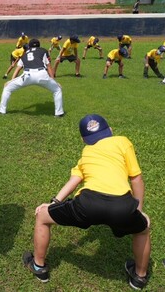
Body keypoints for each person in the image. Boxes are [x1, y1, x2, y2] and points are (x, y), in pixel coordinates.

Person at [23, 114, 151, 290]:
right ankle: (139, 277)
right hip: (121, 205)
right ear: (111, 130)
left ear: (84, 139)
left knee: (42, 217)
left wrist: (53, 202)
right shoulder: (122, 141)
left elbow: (74, 180)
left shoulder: (86, 152)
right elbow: (136, 179)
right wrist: (138, 210)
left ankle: (38, 266)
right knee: (143, 230)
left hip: (87, 203)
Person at [0, 39, 64, 117]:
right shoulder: (43, 51)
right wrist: (53, 81)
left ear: (29, 46)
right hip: (42, 74)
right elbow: (48, 66)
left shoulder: (24, 54)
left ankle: (1, 111)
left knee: (7, 88)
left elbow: (18, 69)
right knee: (57, 90)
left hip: (27, 75)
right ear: (39, 45)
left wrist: (11, 81)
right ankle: (59, 113)